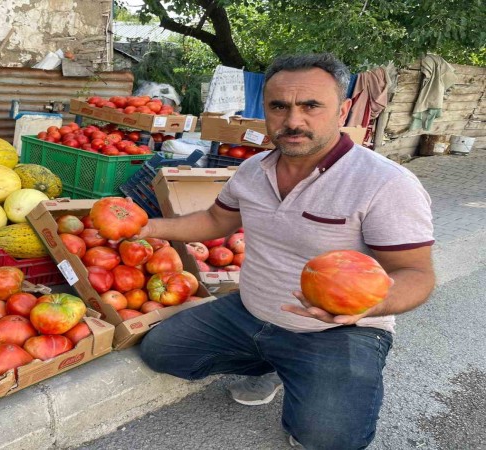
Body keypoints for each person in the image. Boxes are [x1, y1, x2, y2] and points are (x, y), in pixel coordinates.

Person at [137, 53, 436, 450]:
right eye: (279, 106)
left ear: (342, 109)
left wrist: (364, 309)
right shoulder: (253, 168)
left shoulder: (385, 183)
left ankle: (300, 370)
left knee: (326, 438)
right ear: (266, 109)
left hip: (336, 331)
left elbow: (417, 275)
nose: (293, 121)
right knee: (162, 352)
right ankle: (274, 363)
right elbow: (215, 221)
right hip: (249, 313)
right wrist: (146, 227)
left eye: (311, 105)